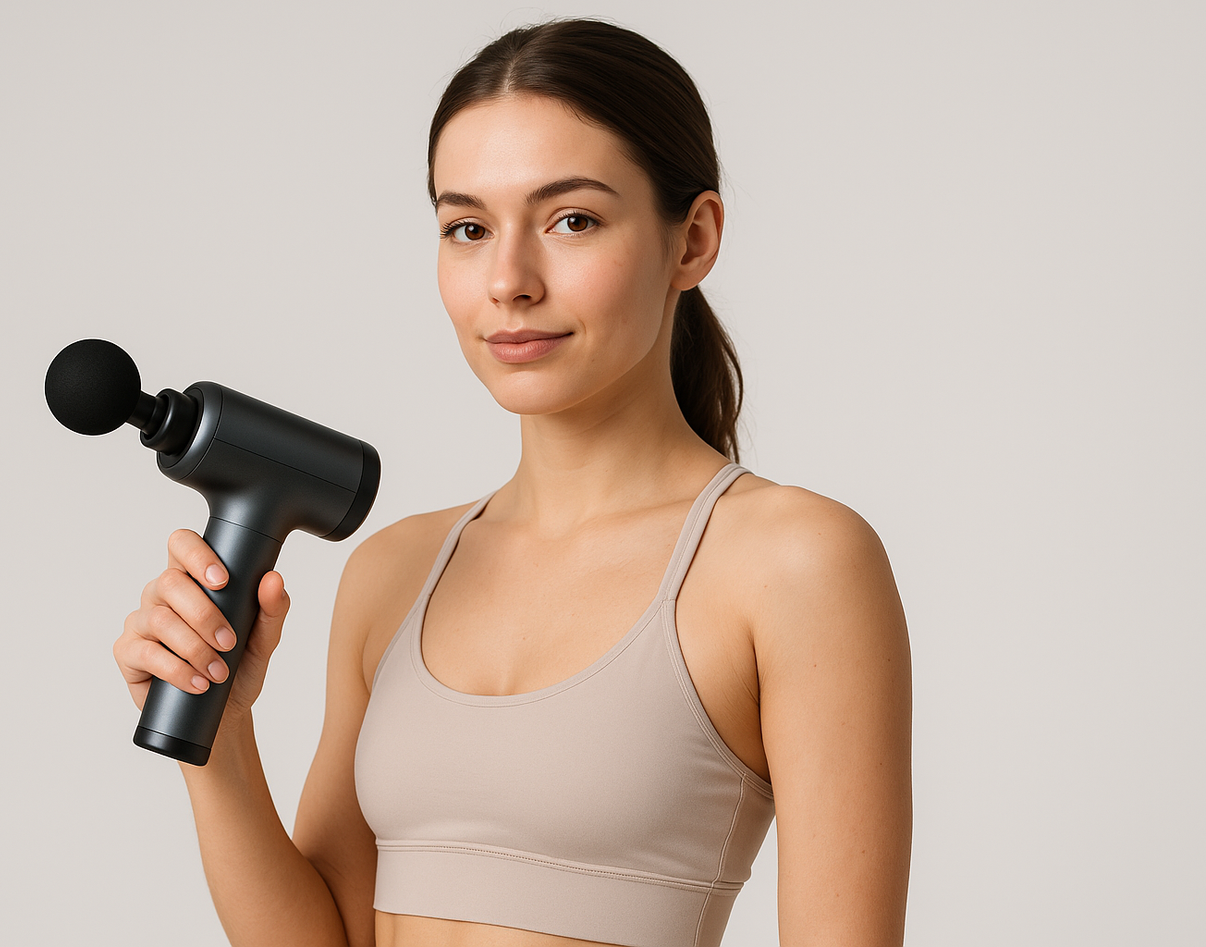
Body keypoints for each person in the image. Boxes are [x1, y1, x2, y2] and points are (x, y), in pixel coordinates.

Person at [115, 19, 912, 947]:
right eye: (467, 227)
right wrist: (218, 734)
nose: (508, 280)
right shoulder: (394, 570)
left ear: (692, 240)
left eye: (572, 219)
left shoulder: (792, 562)